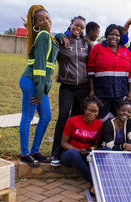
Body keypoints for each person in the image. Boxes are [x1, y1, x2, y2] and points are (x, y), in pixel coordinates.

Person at [19, 5, 58, 167]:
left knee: (46, 116)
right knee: (28, 117)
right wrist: (41, 91)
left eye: (47, 18)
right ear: (36, 24)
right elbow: (40, 67)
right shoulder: (43, 36)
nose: (46, 21)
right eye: (41, 20)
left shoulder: (48, 36)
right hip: (32, 82)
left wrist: (62, 35)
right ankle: (24, 154)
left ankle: (35, 151)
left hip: (39, 84)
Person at [51, 16, 90, 166]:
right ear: (71, 24)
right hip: (67, 86)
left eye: (81, 27)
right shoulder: (62, 41)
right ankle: (56, 153)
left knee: (76, 120)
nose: (78, 29)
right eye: (76, 25)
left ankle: (70, 153)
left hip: (83, 88)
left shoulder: (86, 44)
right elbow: (51, 35)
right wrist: (60, 35)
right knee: (62, 118)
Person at [87, 24, 131, 122]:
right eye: (111, 34)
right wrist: (91, 90)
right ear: (106, 35)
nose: (114, 37)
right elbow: (90, 70)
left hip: (121, 94)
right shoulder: (97, 48)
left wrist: (130, 92)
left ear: (120, 37)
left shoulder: (126, 52)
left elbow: (130, 74)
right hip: (101, 93)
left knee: (117, 121)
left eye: (117, 35)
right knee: (100, 121)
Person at [60, 96, 103, 192]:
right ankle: (95, 183)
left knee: (106, 151)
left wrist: (91, 148)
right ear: (84, 109)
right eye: (90, 110)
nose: (92, 113)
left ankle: (101, 183)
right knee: (73, 154)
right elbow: (63, 143)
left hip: (85, 155)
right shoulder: (72, 121)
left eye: (95, 111)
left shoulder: (99, 124)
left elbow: (96, 144)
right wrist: (78, 150)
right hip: (70, 154)